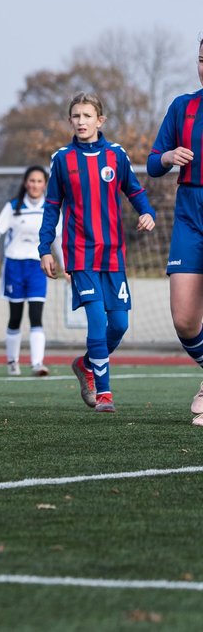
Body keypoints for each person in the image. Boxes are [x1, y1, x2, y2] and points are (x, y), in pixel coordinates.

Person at [40, 92, 155, 414]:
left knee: (118, 325)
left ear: (99, 120)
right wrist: (45, 248)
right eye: (75, 116)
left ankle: (85, 364)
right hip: (80, 254)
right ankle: (104, 395)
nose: (81, 122)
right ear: (70, 120)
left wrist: (147, 212)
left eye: (87, 116)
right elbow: (51, 207)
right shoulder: (62, 159)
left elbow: (134, 189)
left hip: (113, 254)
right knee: (95, 323)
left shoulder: (116, 155)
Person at [146, 40, 203, 425]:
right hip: (189, 214)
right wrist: (168, 157)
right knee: (184, 318)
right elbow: (152, 162)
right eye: (202, 59)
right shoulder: (183, 106)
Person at [0, 166, 61, 377]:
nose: (35, 185)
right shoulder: (13, 207)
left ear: (45, 184)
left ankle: (38, 363)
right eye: (32, 181)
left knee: (36, 315)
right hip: (14, 266)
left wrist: (66, 265)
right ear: (25, 183)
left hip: (38, 266)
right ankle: (12, 362)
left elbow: (58, 238)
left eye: (39, 181)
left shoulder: (52, 208)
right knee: (15, 316)